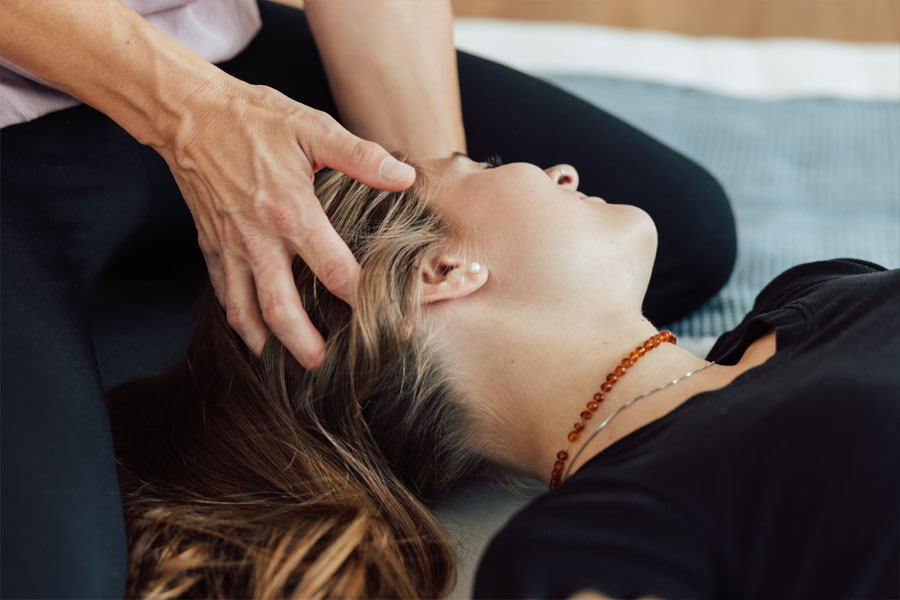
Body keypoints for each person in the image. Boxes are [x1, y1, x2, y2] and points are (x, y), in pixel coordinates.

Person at [0, 1, 735, 597]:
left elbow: (456, 241)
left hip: (201, 47)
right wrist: (192, 114)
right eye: (493, 162)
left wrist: (438, 227)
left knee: (686, 236)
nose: (561, 173)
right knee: (51, 579)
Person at [106, 155, 899, 598]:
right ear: (440, 271)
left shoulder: (811, 292)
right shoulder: (592, 544)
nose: (562, 169)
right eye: (476, 163)